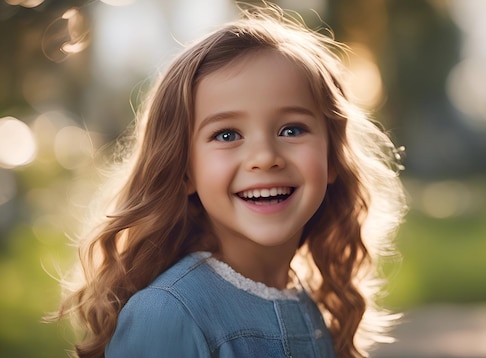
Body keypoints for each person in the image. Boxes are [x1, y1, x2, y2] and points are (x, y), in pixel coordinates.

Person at [54, 3, 406, 357]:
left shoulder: (310, 306)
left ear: (332, 157)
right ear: (185, 170)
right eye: (226, 135)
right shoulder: (168, 314)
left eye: (291, 129)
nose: (265, 157)